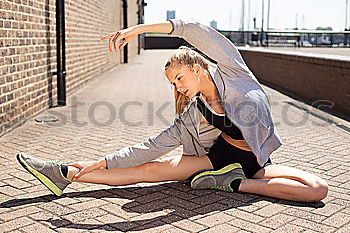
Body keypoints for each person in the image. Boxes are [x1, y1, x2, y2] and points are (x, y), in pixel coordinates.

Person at [16, 19, 328, 202]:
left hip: (254, 163)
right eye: (173, 83)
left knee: (318, 189)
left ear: (197, 67)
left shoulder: (234, 71)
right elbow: (150, 147)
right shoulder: (194, 112)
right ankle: (66, 173)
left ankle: (228, 183)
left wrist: (136, 30)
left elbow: (192, 30)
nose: (178, 87)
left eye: (180, 78)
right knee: (149, 171)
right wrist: (101, 161)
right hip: (218, 158)